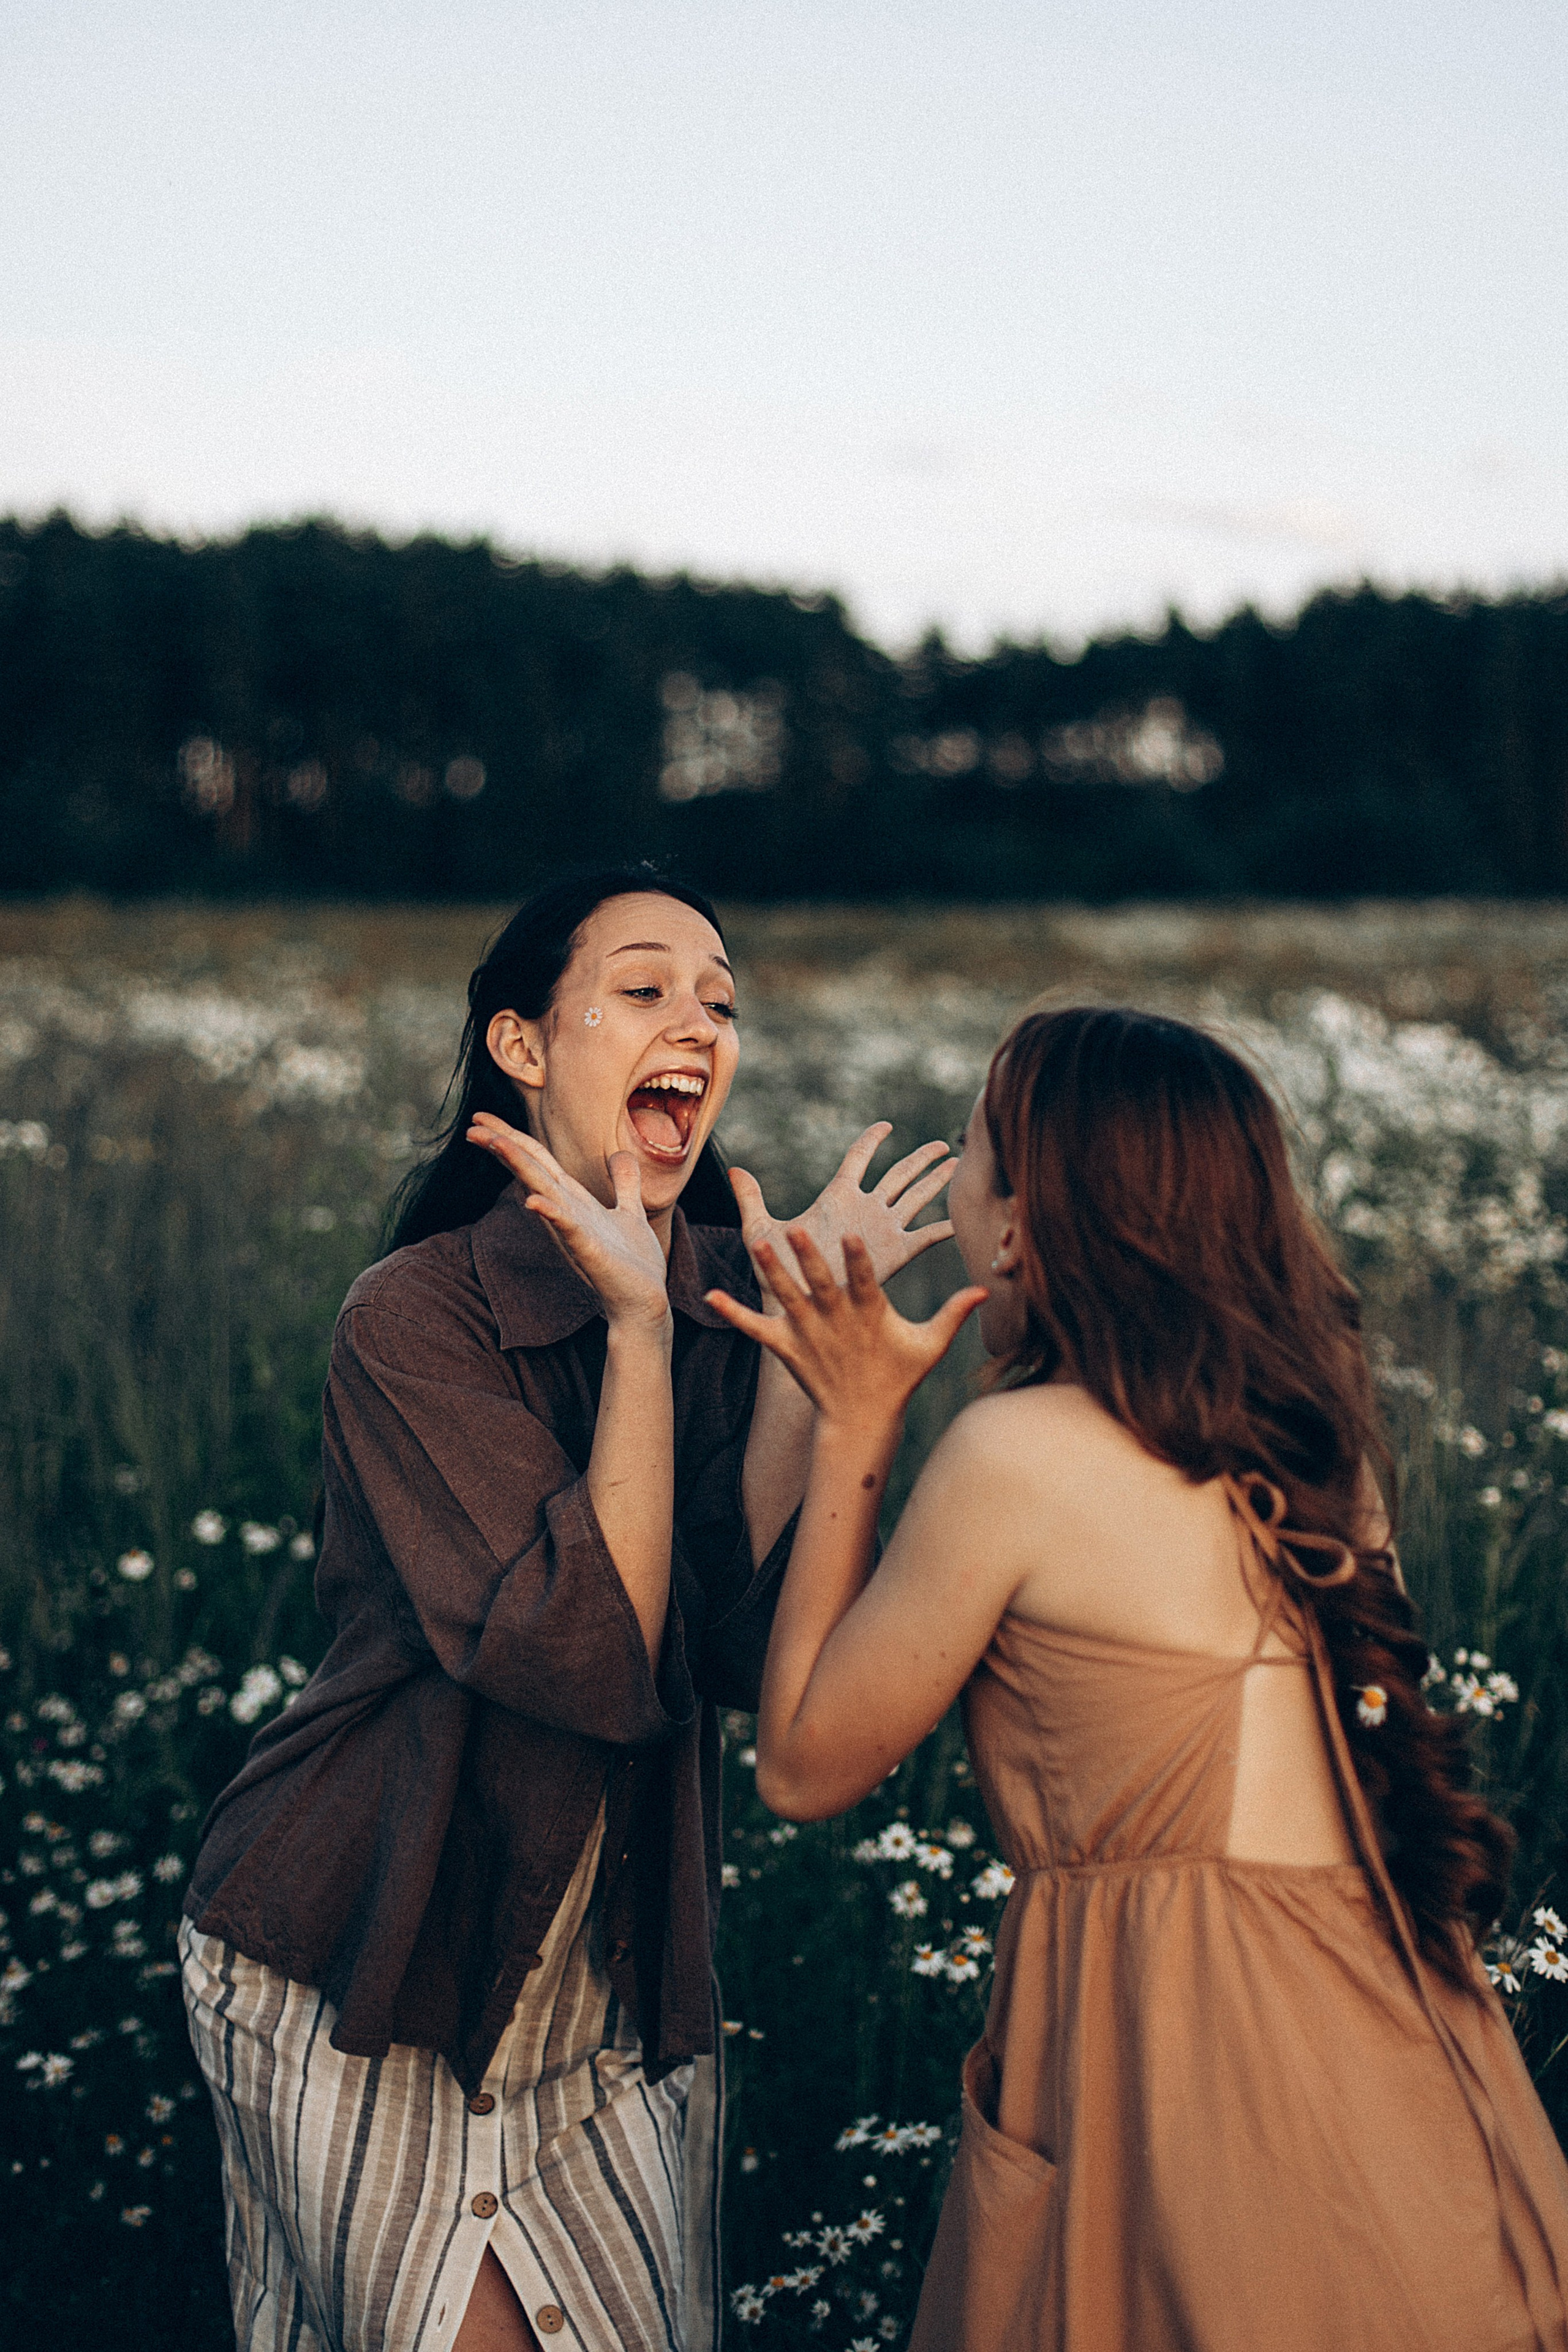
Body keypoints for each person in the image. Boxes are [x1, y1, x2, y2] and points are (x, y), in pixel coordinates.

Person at [707, 1004, 1568, 2352]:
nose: (967, 1175)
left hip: (1188, 2059)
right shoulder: (1312, 1450)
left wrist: (853, 1421)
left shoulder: (1019, 1455)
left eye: (980, 1145)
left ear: (1021, 1222)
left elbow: (803, 1762)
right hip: (1404, 2043)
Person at [180, 867, 958, 2352]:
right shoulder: (409, 1318)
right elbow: (585, 1658)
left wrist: (801, 1358)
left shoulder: (722, 1279)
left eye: (720, 1000)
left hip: (601, 2001)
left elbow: (720, 1649)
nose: (698, 1024)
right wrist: (637, 1331)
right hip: (362, 1965)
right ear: (521, 1048)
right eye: (647, 987)